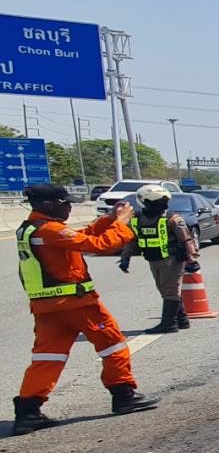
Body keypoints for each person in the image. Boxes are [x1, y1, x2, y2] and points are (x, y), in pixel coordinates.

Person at [12, 183, 159, 434]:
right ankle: (124, 395)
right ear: (49, 205)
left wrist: (109, 219)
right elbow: (98, 245)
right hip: (77, 304)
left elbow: (83, 235)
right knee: (113, 345)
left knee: (47, 358)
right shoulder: (50, 230)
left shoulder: (32, 228)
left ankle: (28, 411)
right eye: (65, 203)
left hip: (47, 308)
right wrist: (121, 223)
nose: (69, 207)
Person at [126, 184, 200, 334]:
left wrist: (192, 258)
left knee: (170, 290)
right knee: (164, 289)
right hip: (152, 258)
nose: (163, 205)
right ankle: (181, 319)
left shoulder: (172, 219)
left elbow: (187, 239)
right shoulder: (137, 219)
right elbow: (132, 240)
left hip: (171, 259)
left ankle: (169, 324)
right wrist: (125, 257)